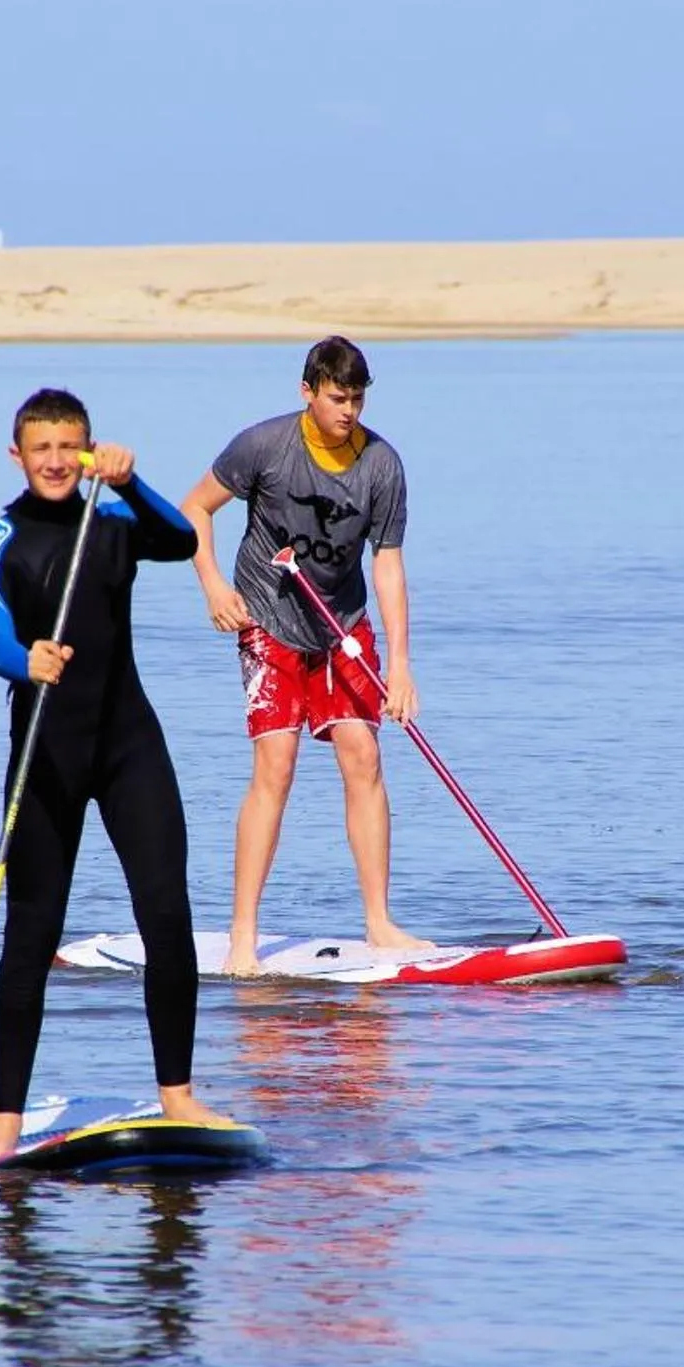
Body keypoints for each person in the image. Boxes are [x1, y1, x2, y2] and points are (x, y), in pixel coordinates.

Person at [0, 387, 231, 1164]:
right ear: (16, 454)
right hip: (44, 753)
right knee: (31, 934)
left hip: (129, 748)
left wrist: (127, 482)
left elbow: (181, 540)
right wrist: (28, 659)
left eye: (69, 448)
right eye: (40, 448)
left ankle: (178, 1094)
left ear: (87, 452)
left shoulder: (110, 524)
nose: (54, 461)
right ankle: (8, 1122)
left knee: (167, 913)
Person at [178, 336, 427, 976]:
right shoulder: (264, 447)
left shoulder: (382, 465)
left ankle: (378, 920)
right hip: (268, 617)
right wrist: (213, 585)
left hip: (340, 623)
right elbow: (195, 509)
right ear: (308, 391)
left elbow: (389, 564)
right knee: (277, 763)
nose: (349, 411)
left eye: (358, 399)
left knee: (364, 754)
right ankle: (243, 936)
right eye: (338, 398)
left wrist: (400, 664)